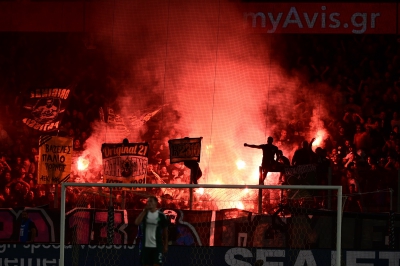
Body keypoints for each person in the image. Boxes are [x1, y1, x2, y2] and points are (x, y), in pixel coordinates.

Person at [134, 196, 169, 266]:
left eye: (151, 201)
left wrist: (165, 245)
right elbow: (136, 222)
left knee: (156, 264)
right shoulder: (144, 214)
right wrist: (144, 211)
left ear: (156, 203)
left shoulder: (161, 215)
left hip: (157, 245)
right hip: (145, 245)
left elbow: (165, 232)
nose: (149, 203)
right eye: (148, 201)